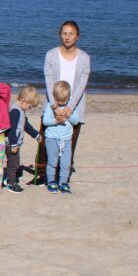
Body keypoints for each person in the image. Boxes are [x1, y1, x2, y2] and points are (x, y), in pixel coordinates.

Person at [39, 20, 90, 179]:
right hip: (52, 104)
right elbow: (48, 79)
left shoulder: (84, 58)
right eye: (64, 33)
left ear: (77, 36)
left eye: (71, 34)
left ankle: (63, 176)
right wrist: (54, 106)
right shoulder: (51, 55)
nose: (67, 37)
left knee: (69, 143)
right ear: (60, 35)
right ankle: (41, 175)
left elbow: (82, 83)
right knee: (45, 142)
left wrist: (70, 107)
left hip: (74, 107)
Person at [42, 80, 80, 194]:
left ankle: (63, 183)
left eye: (63, 101)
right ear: (53, 96)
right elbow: (45, 121)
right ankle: (51, 181)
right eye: (57, 100)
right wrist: (56, 121)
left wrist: (68, 116)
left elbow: (76, 121)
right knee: (52, 162)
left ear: (69, 97)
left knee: (65, 163)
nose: (60, 103)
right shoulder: (51, 106)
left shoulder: (70, 108)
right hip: (52, 138)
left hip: (66, 139)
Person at [6, 86, 41, 193]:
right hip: (11, 144)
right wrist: (13, 144)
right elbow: (12, 130)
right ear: (23, 101)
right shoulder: (15, 111)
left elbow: (26, 125)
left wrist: (36, 135)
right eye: (29, 106)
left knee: (15, 163)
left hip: (15, 144)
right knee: (13, 164)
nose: (29, 108)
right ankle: (10, 183)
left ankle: (10, 179)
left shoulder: (21, 109)